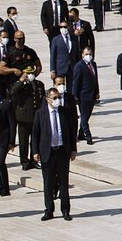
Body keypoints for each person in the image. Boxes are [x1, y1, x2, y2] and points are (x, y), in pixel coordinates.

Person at [32, 86, 76, 221]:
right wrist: (35, 151)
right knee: (48, 183)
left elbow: (71, 132)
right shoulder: (41, 113)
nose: (57, 100)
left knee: (63, 182)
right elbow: (35, 134)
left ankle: (65, 210)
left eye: (58, 97)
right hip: (48, 152)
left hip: (62, 151)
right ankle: (49, 210)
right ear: (47, 99)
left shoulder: (64, 112)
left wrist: (73, 149)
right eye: (54, 98)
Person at [71, 46, 100, 145]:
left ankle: (81, 133)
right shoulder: (79, 66)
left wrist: (97, 91)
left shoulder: (94, 64)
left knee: (87, 115)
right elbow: (76, 81)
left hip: (92, 94)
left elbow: (95, 79)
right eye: (86, 54)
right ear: (82, 54)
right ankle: (88, 135)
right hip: (83, 95)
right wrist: (74, 94)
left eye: (90, 54)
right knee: (83, 116)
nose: (88, 56)